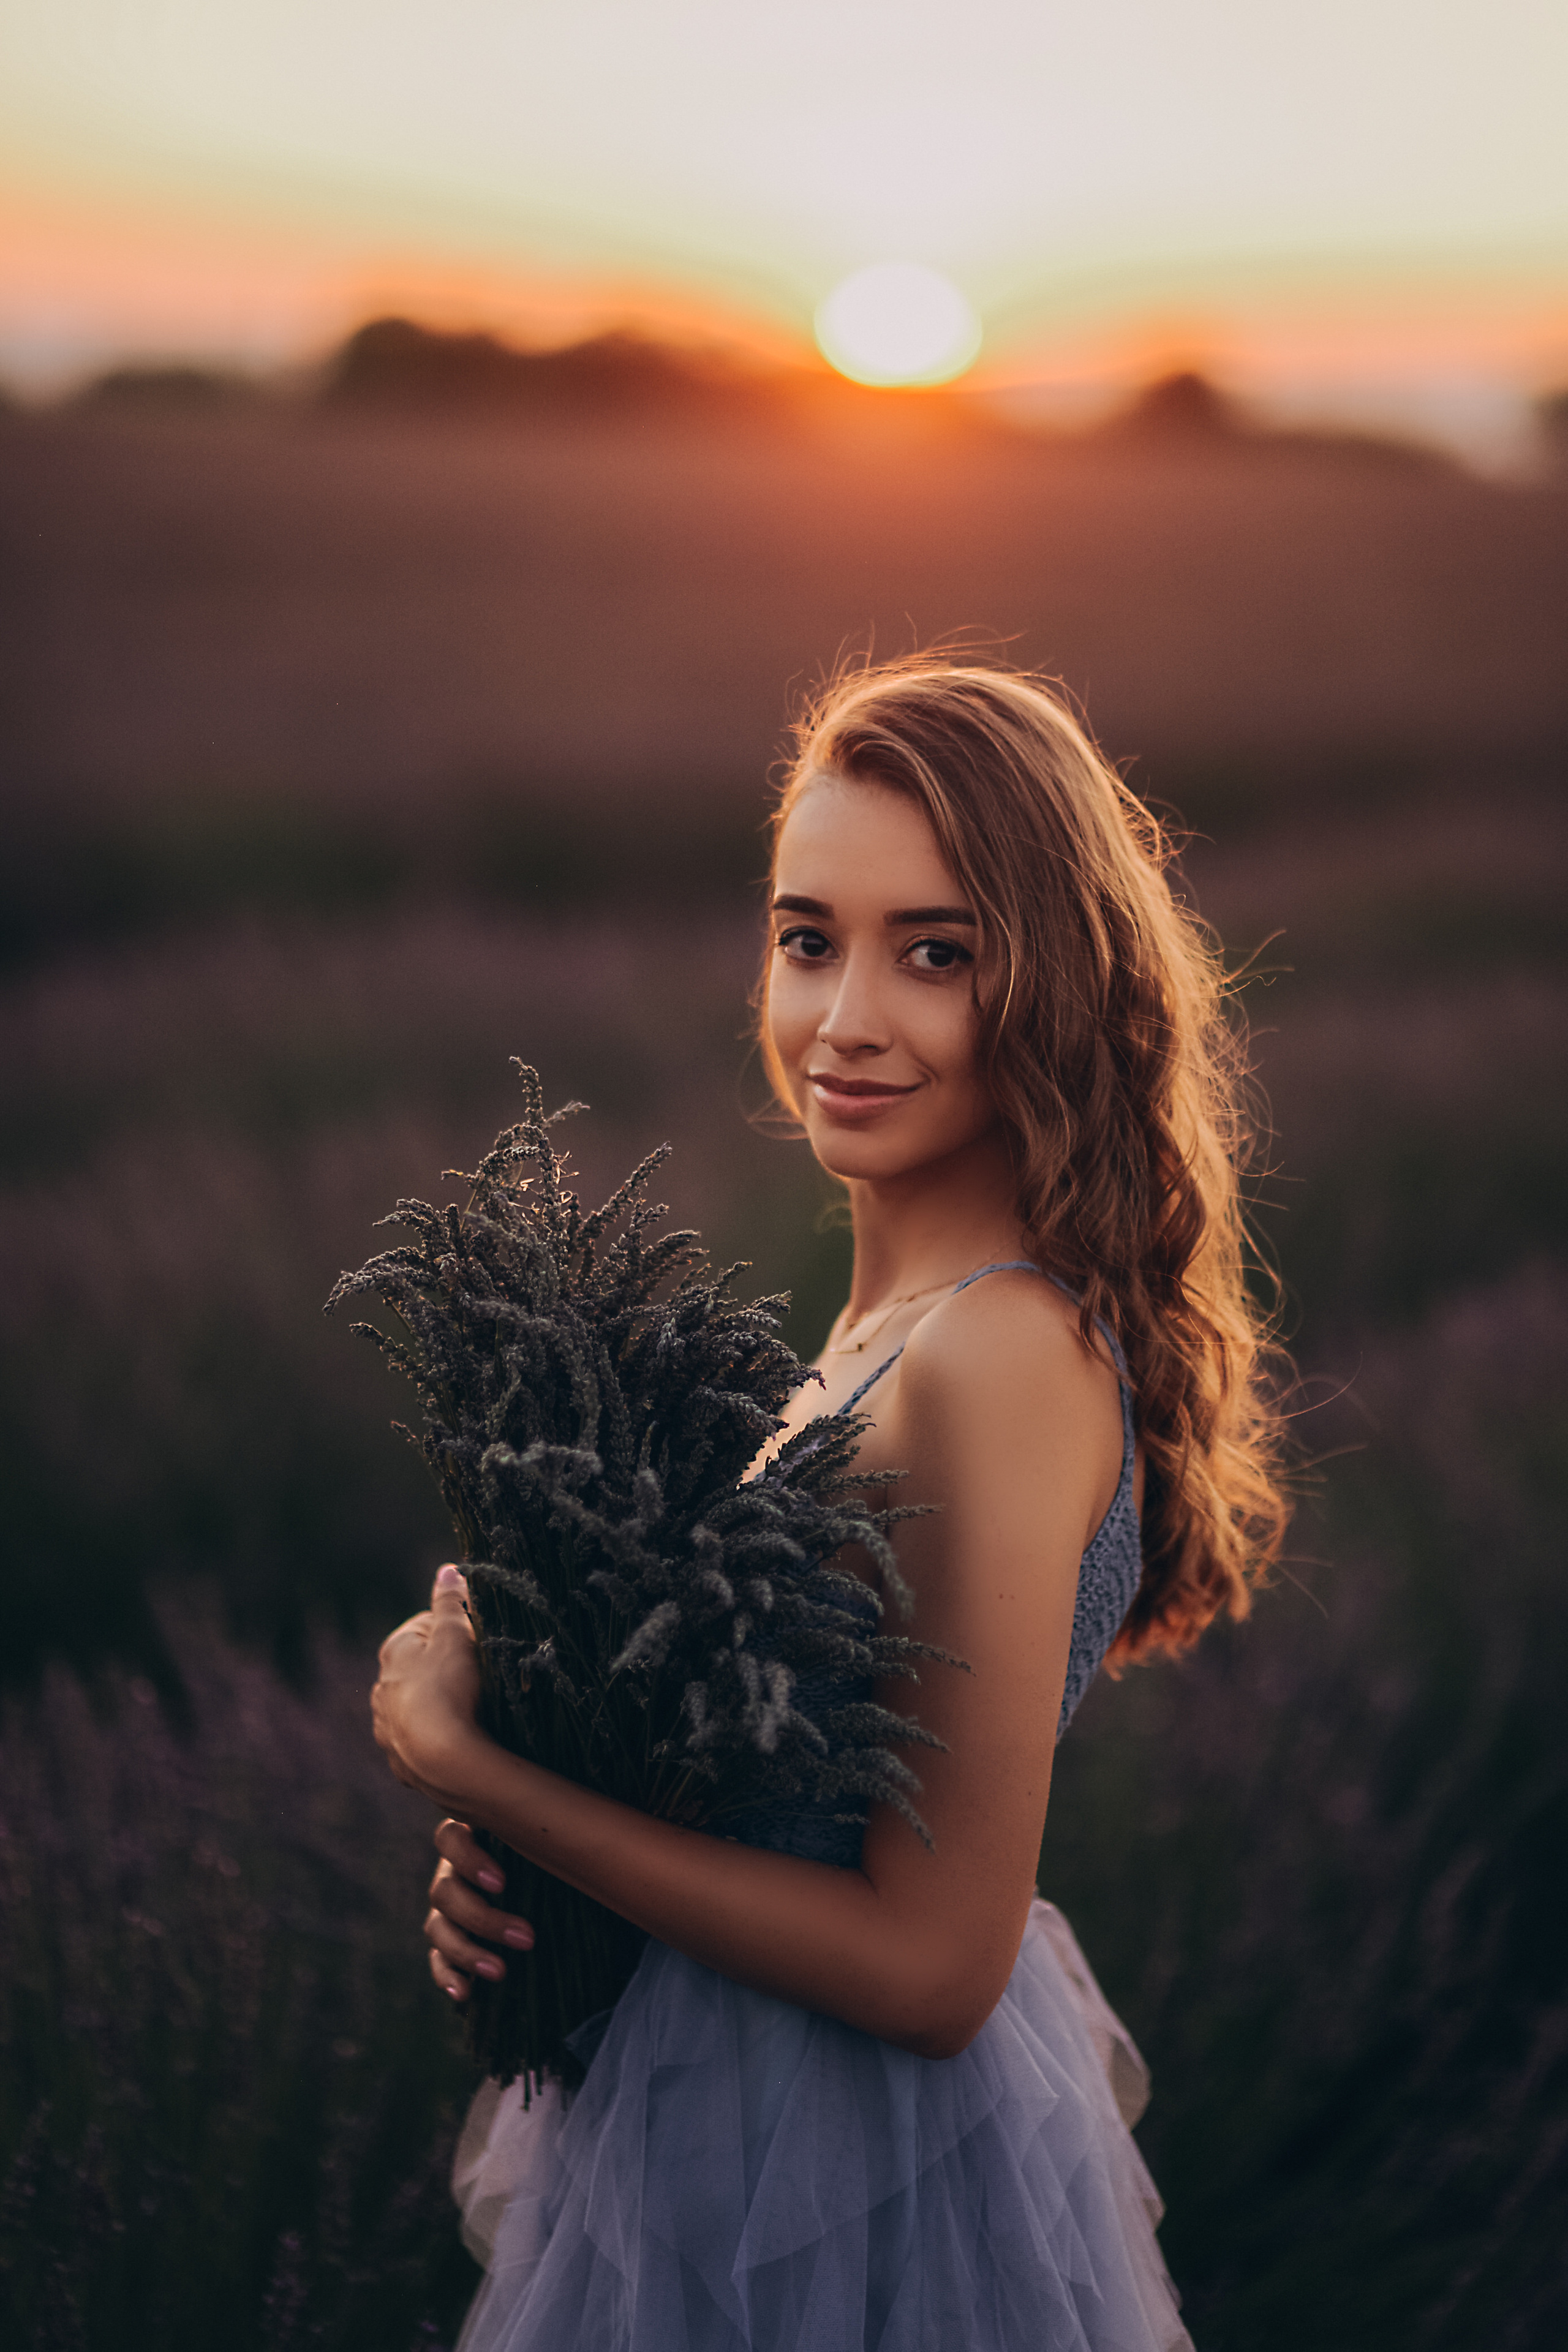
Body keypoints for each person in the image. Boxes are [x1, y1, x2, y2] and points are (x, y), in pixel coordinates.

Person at [371, 659, 1287, 2351]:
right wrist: (533, 1875)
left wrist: (472, 1763)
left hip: (861, 2181)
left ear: (1061, 983)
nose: (847, 1017)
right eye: (810, 939)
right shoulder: (881, 1334)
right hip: (732, 2142)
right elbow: (754, 1799)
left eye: (935, 953)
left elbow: (935, 1974)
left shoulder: (999, 1353)